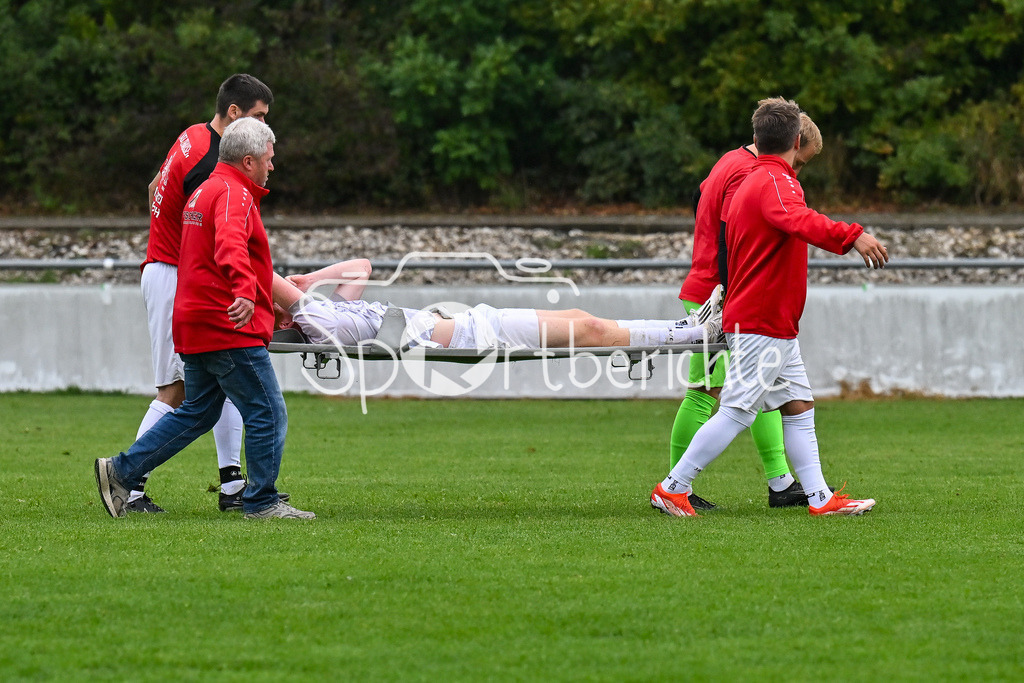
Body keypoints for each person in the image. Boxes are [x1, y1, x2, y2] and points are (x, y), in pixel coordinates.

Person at [650, 97, 888, 518]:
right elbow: (801, 220)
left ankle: (818, 498)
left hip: (771, 319)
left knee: (797, 405)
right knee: (736, 411)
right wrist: (852, 236)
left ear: (757, 137)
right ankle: (673, 486)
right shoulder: (777, 182)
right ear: (797, 140)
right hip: (763, 319)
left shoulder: (751, 180)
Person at [95, 117, 313, 520]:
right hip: (227, 326)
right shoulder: (234, 194)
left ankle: (120, 471)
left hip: (194, 323)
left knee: (198, 411)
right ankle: (262, 501)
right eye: (269, 158)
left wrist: (262, 299)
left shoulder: (204, 191)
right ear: (248, 161)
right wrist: (246, 295)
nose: (272, 165)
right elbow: (232, 248)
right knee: (267, 410)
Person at [133, 74, 274, 513]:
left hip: (169, 268)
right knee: (175, 390)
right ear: (234, 113)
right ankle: (128, 483)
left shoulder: (192, 135)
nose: (263, 126)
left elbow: (155, 187)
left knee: (224, 381)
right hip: (178, 274)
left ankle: (233, 485)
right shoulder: (211, 162)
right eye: (258, 116)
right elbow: (217, 230)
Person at [670, 111, 824, 510]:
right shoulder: (753, 174)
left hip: (715, 287)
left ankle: (780, 482)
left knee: (760, 391)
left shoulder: (731, 160)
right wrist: (729, 291)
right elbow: (727, 237)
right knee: (711, 393)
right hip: (719, 293)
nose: (798, 171)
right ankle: (677, 485)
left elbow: (699, 198)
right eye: (801, 161)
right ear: (792, 142)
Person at [271, 260, 724, 350]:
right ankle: (693, 332)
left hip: (471, 323)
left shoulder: (322, 308)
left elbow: (362, 268)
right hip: (474, 335)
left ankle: (685, 323)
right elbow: (263, 275)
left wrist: (310, 278)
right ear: (285, 314)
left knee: (583, 320)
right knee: (592, 333)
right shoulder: (317, 319)